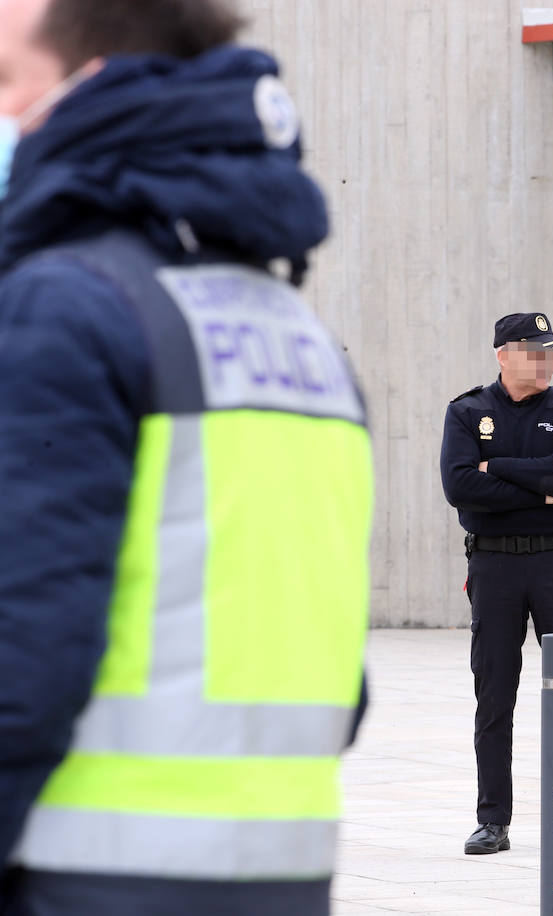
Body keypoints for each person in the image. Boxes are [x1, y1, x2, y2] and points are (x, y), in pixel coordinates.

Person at [0, 1, 372, 914]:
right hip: (277, 877)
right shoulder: (296, 333)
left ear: (87, 87)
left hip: (80, 877)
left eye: (6, 81)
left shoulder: (64, 308)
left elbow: (23, 658)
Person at [440, 313, 553, 856]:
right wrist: (539, 491)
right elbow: (459, 486)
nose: (544, 361)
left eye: (549, 352)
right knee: (494, 692)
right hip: (493, 566)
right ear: (502, 355)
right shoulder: (467, 411)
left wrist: (495, 468)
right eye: (532, 351)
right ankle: (492, 820)